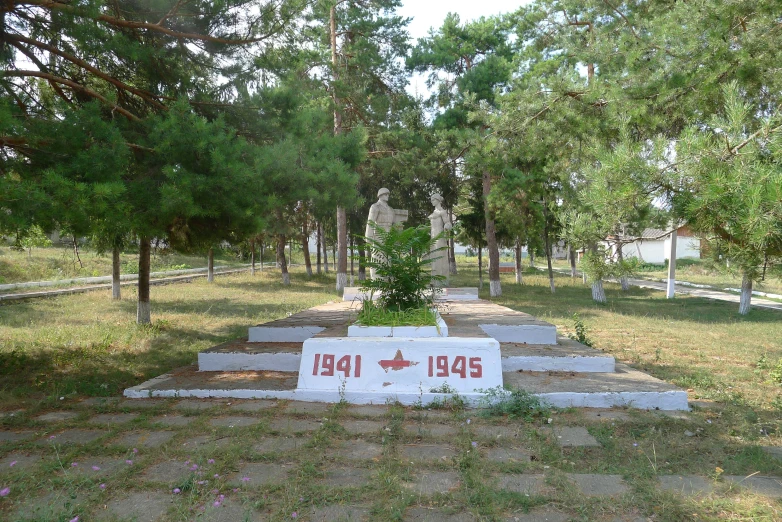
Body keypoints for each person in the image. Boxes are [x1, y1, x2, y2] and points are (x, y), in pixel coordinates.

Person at [365, 188, 408, 279]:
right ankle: (376, 279)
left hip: (389, 234)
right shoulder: (375, 207)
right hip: (378, 234)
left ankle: (387, 279)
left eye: (388, 194)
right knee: (377, 256)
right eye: (385, 194)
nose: (387, 196)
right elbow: (370, 222)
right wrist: (368, 237)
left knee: (388, 257)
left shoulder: (390, 209)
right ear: (380, 195)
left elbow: (396, 223)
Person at [428, 194, 452, 282]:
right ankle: (434, 279)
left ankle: (441, 279)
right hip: (433, 237)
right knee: (433, 257)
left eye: (433, 200)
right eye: (431, 200)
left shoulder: (442, 212)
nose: (431, 202)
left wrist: (446, 227)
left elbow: (448, 223)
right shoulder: (434, 212)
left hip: (439, 237)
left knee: (439, 257)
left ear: (438, 200)